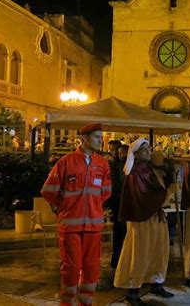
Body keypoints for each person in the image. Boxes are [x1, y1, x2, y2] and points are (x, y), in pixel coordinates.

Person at [40, 123, 111, 306]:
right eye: (96, 137)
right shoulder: (66, 162)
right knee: (71, 268)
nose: (100, 141)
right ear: (85, 138)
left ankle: (86, 302)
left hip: (93, 226)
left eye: (100, 137)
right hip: (70, 226)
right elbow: (48, 191)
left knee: (92, 267)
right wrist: (63, 207)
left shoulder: (102, 164)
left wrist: (92, 207)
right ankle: (67, 303)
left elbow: (105, 192)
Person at [114, 139, 178, 305]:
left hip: (155, 216)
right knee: (140, 253)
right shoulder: (135, 172)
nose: (149, 152)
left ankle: (156, 283)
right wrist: (167, 193)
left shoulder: (150, 168)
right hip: (142, 218)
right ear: (136, 153)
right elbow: (144, 197)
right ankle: (133, 291)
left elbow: (158, 186)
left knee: (159, 251)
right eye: (145, 150)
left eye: (148, 149)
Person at [108, 140, 127, 268]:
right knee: (120, 231)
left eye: (117, 150)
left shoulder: (119, 164)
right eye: (112, 150)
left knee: (121, 231)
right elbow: (117, 183)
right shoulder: (115, 165)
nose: (115, 153)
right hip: (119, 202)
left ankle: (119, 259)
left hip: (121, 202)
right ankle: (117, 259)